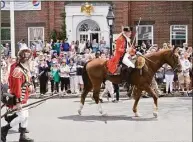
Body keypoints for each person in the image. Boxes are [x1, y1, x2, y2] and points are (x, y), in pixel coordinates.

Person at [1, 46, 34, 142]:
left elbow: (28, 80)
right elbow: (16, 89)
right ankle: (4, 129)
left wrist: (30, 85)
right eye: (28, 59)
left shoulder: (25, 69)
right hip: (18, 98)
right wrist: (18, 102)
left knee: (26, 115)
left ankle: (22, 136)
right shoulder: (17, 71)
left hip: (25, 96)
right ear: (24, 59)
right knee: (22, 116)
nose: (30, 60)